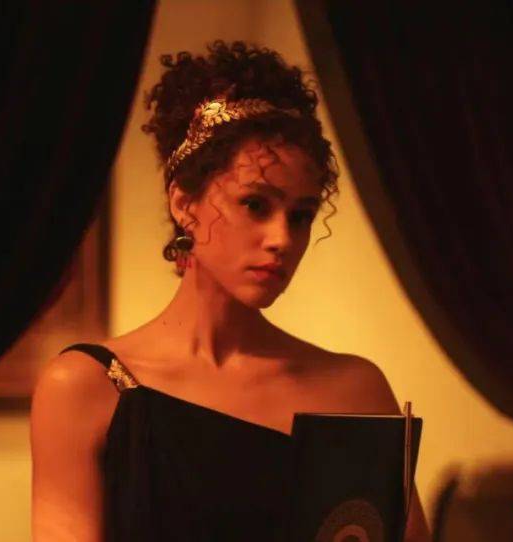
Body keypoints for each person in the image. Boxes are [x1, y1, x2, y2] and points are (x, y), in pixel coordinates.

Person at [30, 40, 430, 542]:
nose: (282, 238)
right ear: (184, 204)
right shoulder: (86, 387)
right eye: (255, 205)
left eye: (301, 215)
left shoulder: (355, 390)